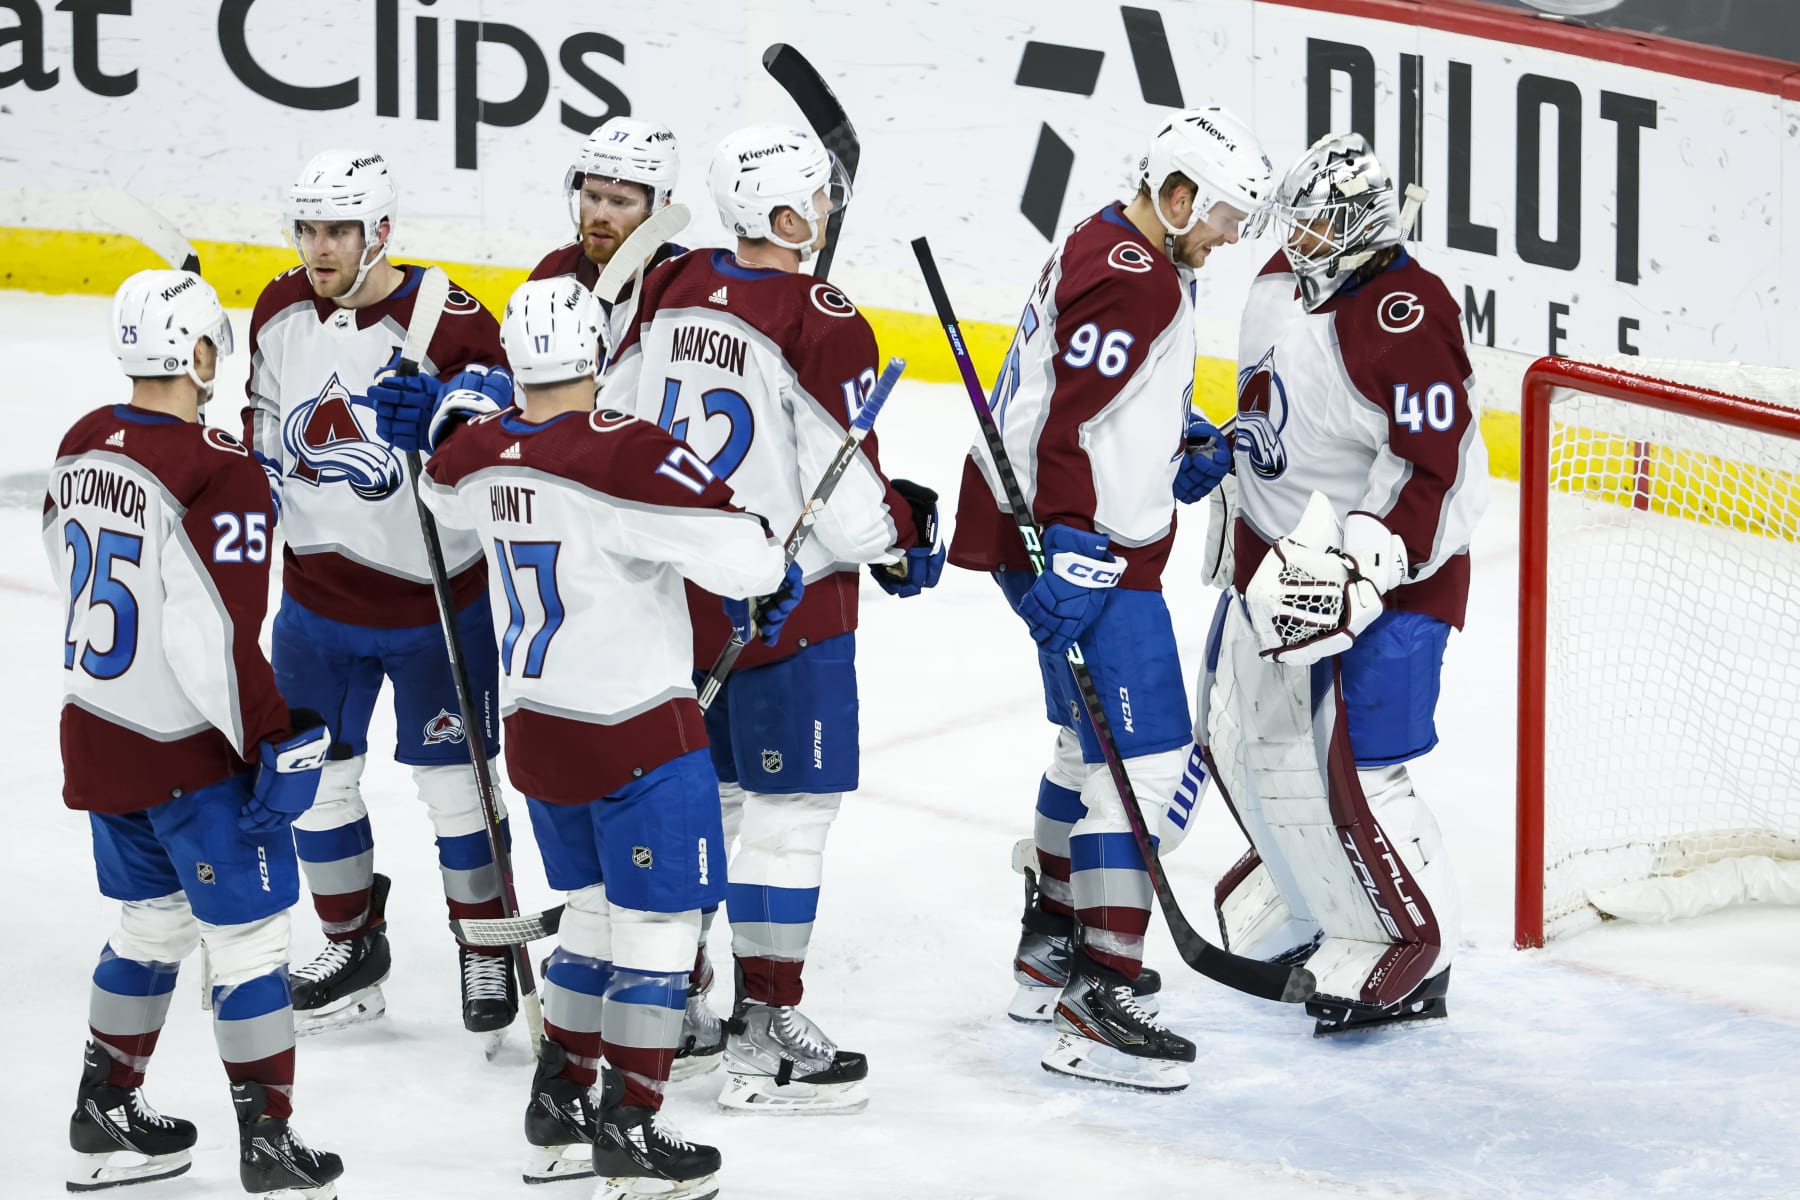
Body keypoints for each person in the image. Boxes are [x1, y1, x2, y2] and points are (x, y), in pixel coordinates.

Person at [383, 273, 800, 1196]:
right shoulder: (627, 451)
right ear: (602, 354)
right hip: (637, 734)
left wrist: (455, 415)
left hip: (538, 735)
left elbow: (440, 489)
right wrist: (769, 561)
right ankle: (632, 1128)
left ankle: (559, 1101)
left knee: (595, 917)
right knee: (657, 930)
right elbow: (747, 555)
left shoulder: (476, 456)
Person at [601, 123, 945, 1110]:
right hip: (789, 611)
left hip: (679, 595)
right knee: (789, 820)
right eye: (817, 203)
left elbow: (618, 420)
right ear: (790, 216)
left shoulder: (672, 285)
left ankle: (675, 1003)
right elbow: (845, 501)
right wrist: (905, 535)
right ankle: (766, 1029)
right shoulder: (824, 317)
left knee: (707, 805)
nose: (830, 217)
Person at [946, 106, 1272, 1092]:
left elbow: (1101, 403)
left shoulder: (1120, 245)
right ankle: (1103, 990)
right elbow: (1072, 428)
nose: (1229, 236)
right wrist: (1082, 545)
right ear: (1174, 196)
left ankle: (1049, 947)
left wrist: (1177, 444)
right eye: (1220, 215)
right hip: (1075, 540)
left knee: (1085, 750)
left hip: (1048, 528)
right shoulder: (1134, 277)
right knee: (1155, 766)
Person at [51, 269, 342, 1196]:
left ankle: (105, 1108)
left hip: (99, 730)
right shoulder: (220, 467)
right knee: (251, 943)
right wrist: (267, 741)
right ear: (200, 351)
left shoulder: (81, 442)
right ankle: (268, 1140)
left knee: (149, 922)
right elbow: (213, 633)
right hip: (190, 752)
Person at [1198, 131, 1488, 1035]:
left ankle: (1416, 955)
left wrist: (1364, 568)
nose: (1303, 243)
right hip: (1271, 570)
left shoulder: (1409, 314)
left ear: (1363, 227)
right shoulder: (1280, 280)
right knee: (1245, 750)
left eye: (1323, 229)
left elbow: (1430, 470)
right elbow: (1268, 406)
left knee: (1367, 774)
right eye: (1301, 225)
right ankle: (1320, 908)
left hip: (1388, 588)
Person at [242, 148, 519, 1041]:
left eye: (338, 231)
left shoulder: (454, 320)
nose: (319, 248)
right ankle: (352, 947)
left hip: (434, 603)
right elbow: (264, 434)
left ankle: (484, 941)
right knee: (317, 783)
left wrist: (444, 413)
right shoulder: (279, 308)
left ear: (381, 232)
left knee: (456, 791)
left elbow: (496, 443)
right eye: (308, 229)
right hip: (317, 603)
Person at [529, 115, 687, 333]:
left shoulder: (686, 286)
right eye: (592, 197)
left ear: (660, 209)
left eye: (619, 202)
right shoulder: (554, 274)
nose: (600, 215)